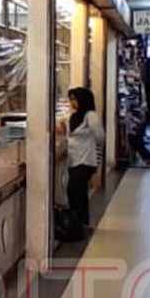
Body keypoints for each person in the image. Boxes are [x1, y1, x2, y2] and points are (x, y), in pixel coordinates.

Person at [55, 87, 104, 237]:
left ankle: (79, 223)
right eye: (71, 99)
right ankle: (80, 224)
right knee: (78, 193)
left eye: (74, 99)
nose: (72, 102)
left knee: (75, 191)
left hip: (86, 160)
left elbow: (100, 138)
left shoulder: (91, 116)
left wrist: (97, 164)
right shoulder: (73, 116)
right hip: (73, 160)